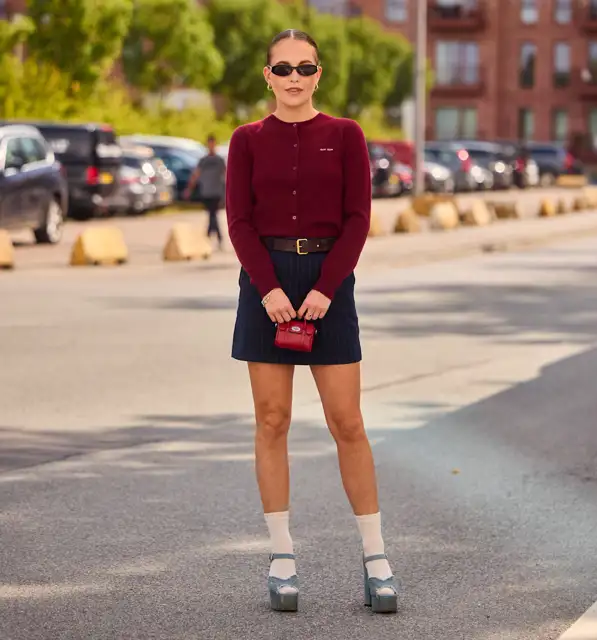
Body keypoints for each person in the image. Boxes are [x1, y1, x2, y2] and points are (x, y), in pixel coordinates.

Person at [225, 29, 398, 615]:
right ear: (267, 77)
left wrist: (326, 289)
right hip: (265, 283)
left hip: (330, 282)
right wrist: (268, 289)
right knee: (272, 420)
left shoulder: (345, 135)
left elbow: (358, 218)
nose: (294, 77)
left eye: (305, 67)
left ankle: (376, 560)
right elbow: (240, 222)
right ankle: (281, 559)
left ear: (318, 74)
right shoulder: (245, 141)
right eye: (283, 68)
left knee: (347, 421)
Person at [183, 134, 226, 248]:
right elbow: (196, 174)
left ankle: (209, 237)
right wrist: (189, 189)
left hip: (217, 191)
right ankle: (213, 237)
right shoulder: (203, 160)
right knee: (212, 214)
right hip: (207, 191)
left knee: (213, 214)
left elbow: (226, 175)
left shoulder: (219, 160)